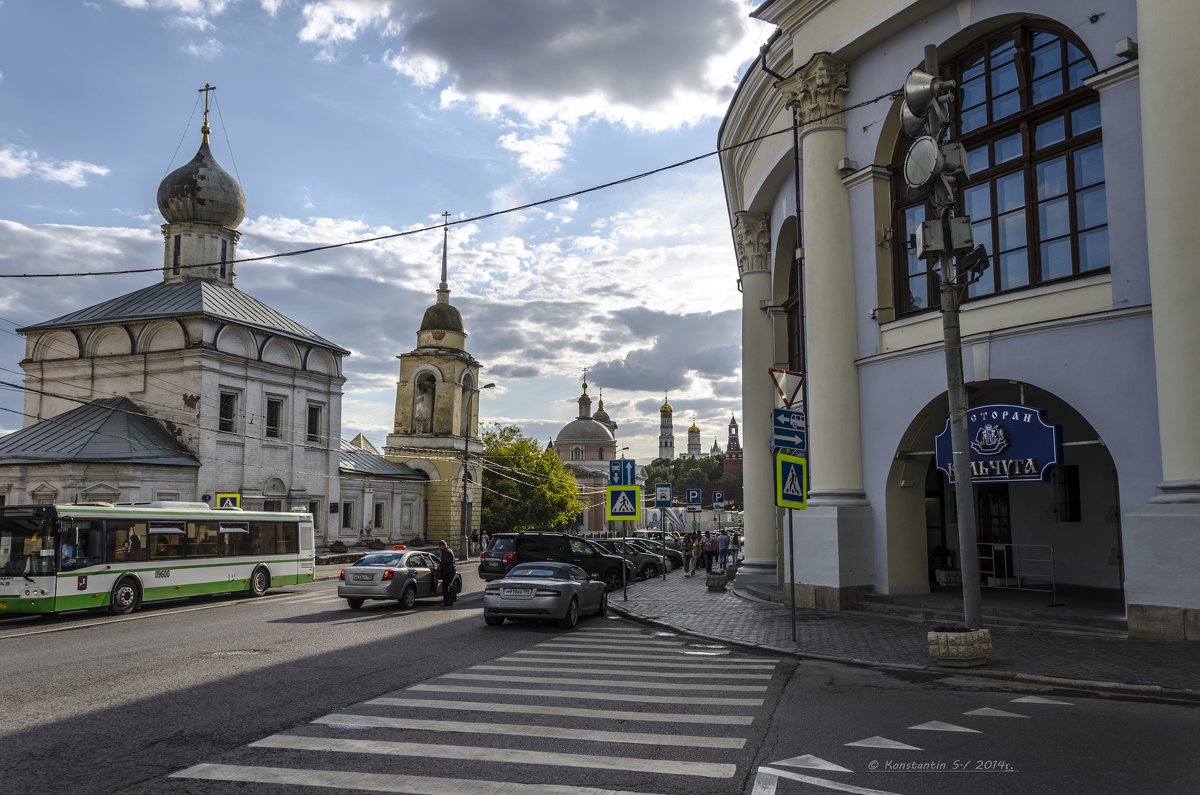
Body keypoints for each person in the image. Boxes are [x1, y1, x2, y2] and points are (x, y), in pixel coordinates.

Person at [437, 540, 457, 606]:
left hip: (448, 571)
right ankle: (450, 602)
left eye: (439, 547)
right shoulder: (449, 550)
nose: (439, 548)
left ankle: (447, 602)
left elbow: (444, 562)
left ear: (442, 545)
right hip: (452, 570)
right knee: (449, 586)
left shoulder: (445, 551)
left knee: (445, 587)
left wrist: (439, 565)